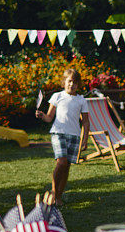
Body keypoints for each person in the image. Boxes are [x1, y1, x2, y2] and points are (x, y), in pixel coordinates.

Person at [35, 68, 89, 206]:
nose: (72, 84)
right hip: (58, 132)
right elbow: (49, 118)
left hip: (75, 135)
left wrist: (85, 140)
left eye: (75, 82)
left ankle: (58, 196)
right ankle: (53, 192)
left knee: (67, 166)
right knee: (61, 162)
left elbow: (85, 122)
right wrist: (42, 116)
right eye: (70, 81)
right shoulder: (57, 96)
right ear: (64, 82)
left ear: (78, 84)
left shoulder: (81, 100)